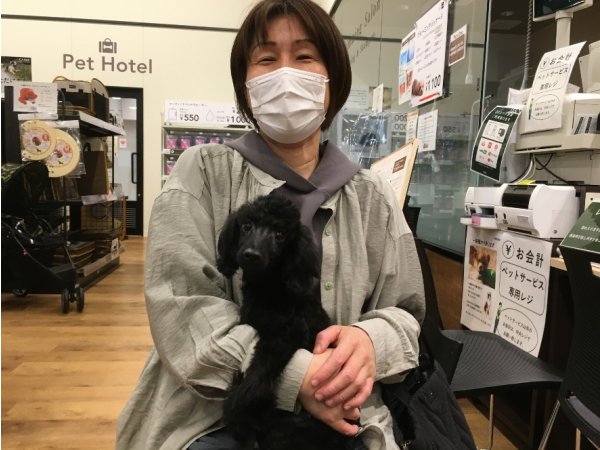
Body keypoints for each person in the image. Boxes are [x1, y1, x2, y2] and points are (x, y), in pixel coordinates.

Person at [115, 1, 425, 449]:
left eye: (304, 56)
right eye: (266, 59)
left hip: (344, 413)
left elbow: (405, 312)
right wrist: (297, 378)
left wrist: (369, 341)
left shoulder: (371, 194)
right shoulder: (201, 172)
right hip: (213, 411)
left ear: (332, 80)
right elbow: (181, 306)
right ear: (245, 84)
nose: (285, 74)